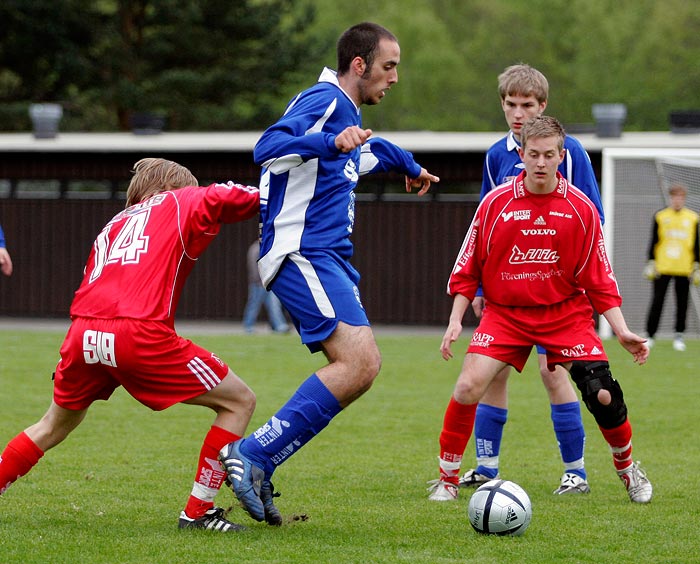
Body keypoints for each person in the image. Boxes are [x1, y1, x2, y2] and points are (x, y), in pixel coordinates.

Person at [217, 21, 440, 524]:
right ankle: (253, 454)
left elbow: (372, 150)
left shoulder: (348, 116)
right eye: (389, 66)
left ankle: (259, 461)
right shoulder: (324, 101)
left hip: (328, 259)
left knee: (362, 367)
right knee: (359, 362)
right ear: (359, 65)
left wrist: (409, 165)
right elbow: (268, 146)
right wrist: (330, 144)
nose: (395, 77)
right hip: (301, 253)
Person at [0, 158, 261, 532]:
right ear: (175, 186)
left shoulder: (114, 223)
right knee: (239, 400)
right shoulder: (179, 200)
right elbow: (236, 197)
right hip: (137, 332)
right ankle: (198, 512)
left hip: (83, 332)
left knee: (53, 423)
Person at [428, 116, 652, 504]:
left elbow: (600, 278)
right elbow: (468, 268)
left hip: (565, 314)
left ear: (562, 156)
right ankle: (446, 480)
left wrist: (622, 329)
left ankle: (627, 468)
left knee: (601, 392)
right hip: (506, 315)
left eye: (550, 155)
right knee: (468, 384)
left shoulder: (581, 210)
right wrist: (454, 320)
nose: (542, 162)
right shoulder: (495, 204)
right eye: (534, 154)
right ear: (522, 154)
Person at [459, 64, 605, 496]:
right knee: (491, 372)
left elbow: (591, 217)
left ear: (543, 106)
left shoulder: (569, 151)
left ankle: (575, 471)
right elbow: (485, 228)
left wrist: (586, 283)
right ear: (502, 104)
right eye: (510, 104)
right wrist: (481, 288)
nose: (518, 113)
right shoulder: (494, 156)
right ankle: (486, 468)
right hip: (507, 291)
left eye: (527, 105)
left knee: (552, 370)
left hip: (560, 291)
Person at [644, 183, 700, 351]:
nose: (677, 200)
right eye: (675, 197)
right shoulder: (661, 216)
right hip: (663, 266)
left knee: (682, 303)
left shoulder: (692, 218)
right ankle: (650, 335)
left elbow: (696, 244)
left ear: (684, 199)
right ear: (670, 198)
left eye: (680, 197)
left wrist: (697, 264)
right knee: (657, 301)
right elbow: (654, 241)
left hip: (684, 267)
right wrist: (651, 261)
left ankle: (679, 336)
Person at [242, 239, 289, 333]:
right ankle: (248, 326)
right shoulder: (256, 248)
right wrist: (258, 280)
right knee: (254, 304)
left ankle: (279, 326)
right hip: (258, 283)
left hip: (269, 282)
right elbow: (253, 265)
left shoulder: (265, 248)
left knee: (274, 305)